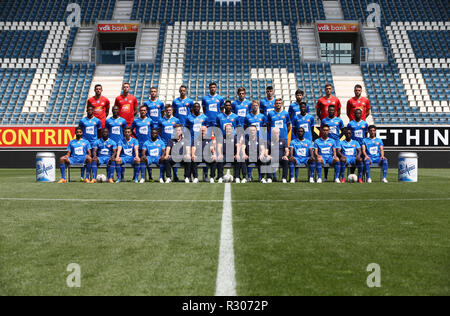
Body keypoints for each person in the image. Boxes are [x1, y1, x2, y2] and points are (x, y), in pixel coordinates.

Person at [244, 100, 267, 180]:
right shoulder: (247, 116)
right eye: (253, 105)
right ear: (251, 106)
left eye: (256, 105)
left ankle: (261, 177)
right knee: (249, 154)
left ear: (258, 106)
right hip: (250, 139)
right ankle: (249, 176)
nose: (255, 107)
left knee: (260, 156)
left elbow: (264, 129)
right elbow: (245, 128)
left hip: (259, 138)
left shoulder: (262, 116)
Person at [78, 104, 101, 181]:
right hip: (84, 142)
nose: (90, 111)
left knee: (94, 159)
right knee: (84, 158)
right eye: (88, 110)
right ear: (86, 111)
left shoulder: (97, 121)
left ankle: (94, 176)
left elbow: (99, 131)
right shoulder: (82, 121)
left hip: (94, 142)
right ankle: (82, 176)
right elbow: (80, 130)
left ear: (93, 111)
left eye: (91, 110)